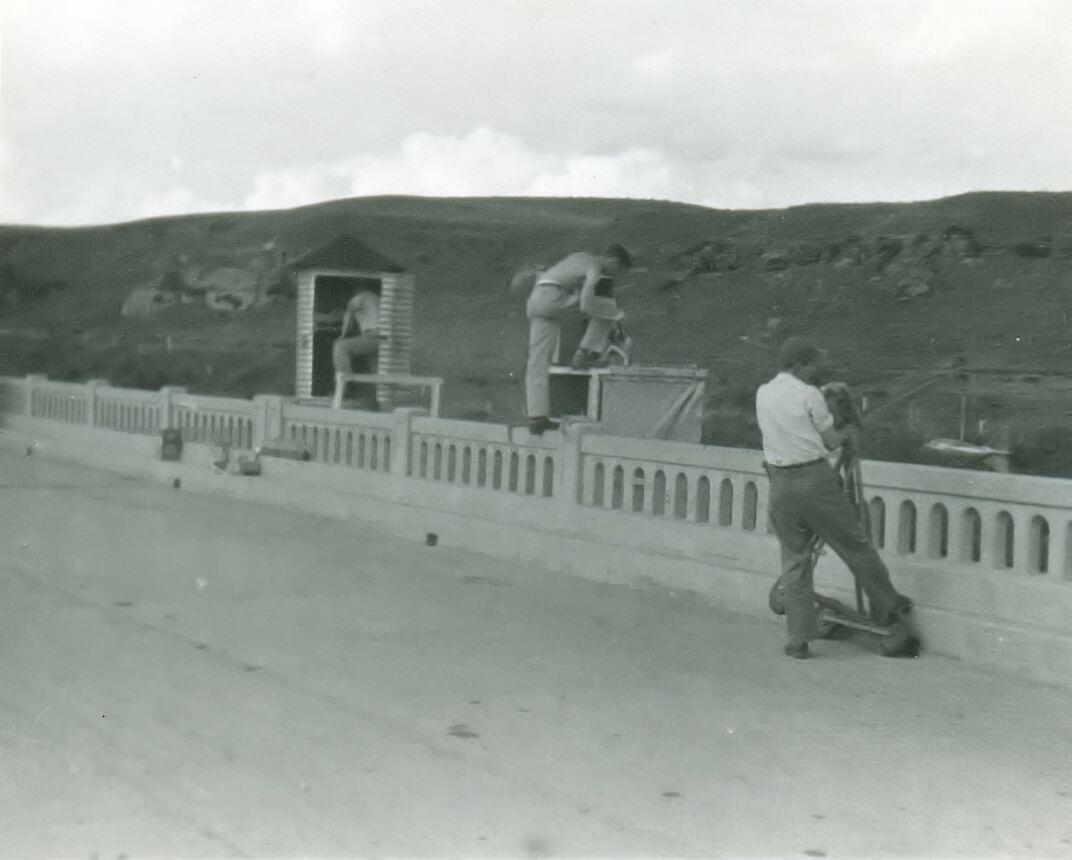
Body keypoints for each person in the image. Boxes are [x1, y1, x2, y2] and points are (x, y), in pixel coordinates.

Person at [755, 336, 913, 659]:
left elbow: (792, 424)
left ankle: (798, 639)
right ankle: (892, 610)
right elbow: (829, 442)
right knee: (854, 544)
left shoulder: (763, 392)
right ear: (800, 365)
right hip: (814, 481)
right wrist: (846, 432)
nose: (817, 370)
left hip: (780, 484)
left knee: (795, 562)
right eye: (812, 365)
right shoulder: (810, 394)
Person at [524, 244, 632, 434]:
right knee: (607, 304)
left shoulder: (579, 256)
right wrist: (615, 316)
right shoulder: (595, 267)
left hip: (536, 298)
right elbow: (585, 305)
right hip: (553, 298)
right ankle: (585, 353)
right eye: (619, 271)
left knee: (537, 361)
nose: (617, 276)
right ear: (614, 261)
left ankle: (537, 417)